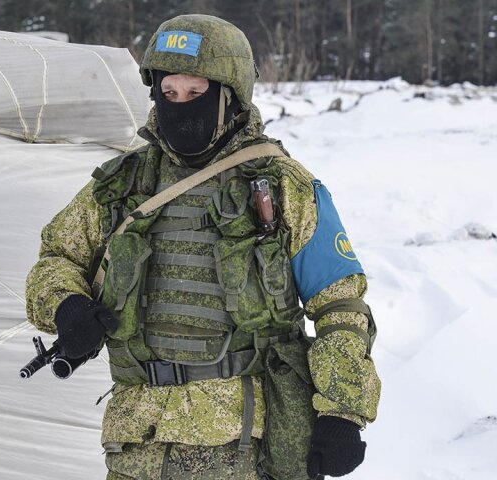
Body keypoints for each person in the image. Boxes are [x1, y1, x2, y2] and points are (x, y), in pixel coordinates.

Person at [26, 14, 380, 480]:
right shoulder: (124, 185)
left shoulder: (281, 186)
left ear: (229, 98)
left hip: (245, 444)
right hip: (138, 444)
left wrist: (342, 412)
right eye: (169, 93)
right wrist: (66, 305)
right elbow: (56, 258)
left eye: (195, 93)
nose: (180, 106)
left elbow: (340, 303)